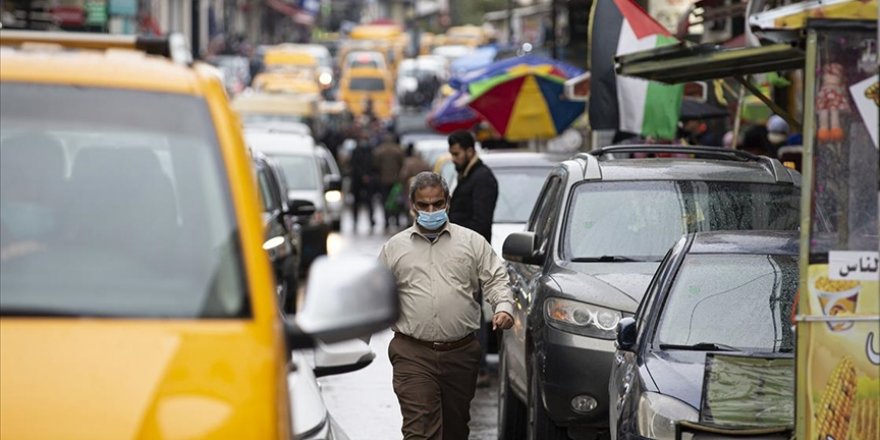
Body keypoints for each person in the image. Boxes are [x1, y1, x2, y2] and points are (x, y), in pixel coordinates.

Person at [378, 172, 514, 440]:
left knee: (455, 429)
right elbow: (372, 294)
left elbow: (496, 277)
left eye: (437, 204)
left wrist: (503, 307)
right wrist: (355, 340)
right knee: (419, 430)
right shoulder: (395, 248)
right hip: (411, 354)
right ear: (412, 205)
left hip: (460, 353)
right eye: (424, 205)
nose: (431, 211)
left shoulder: (471, 242)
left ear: (448, 203)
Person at [446, 130, 499, 388]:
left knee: (473, 314)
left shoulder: (482, 179)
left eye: (457, 154)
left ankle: (479, 369)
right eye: (452, 154)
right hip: (460, 255)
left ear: (469, 150)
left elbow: (480, 223)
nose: (454, 159)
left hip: (470, 256)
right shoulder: (467, 176)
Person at [373, 133, 406, 230]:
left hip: (383, 180)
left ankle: (386, 221)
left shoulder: (379, 150)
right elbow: (403, 163)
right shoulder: (398, 150)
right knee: (396, 201)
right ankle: (396, 220)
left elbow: (376, 165)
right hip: (396, 179)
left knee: (385, 201)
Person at [349, 130, 377, 231]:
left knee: (369, 202)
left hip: (368, 180)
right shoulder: (357, 151)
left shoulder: (370, 150)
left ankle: (371, 220)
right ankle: (356, 220)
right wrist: (363, 176)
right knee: (357, 202)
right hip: (358, 180)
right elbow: (354, 165)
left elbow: (373, 164)